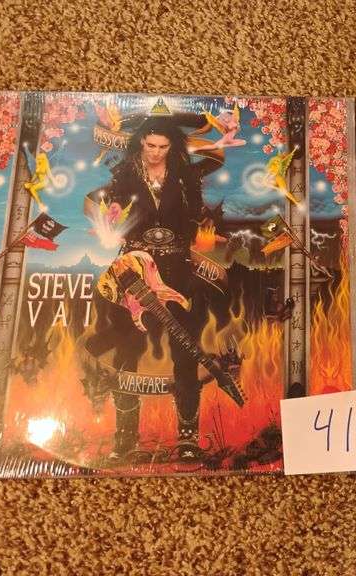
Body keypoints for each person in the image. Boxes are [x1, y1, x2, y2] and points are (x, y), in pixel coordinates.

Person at [83, 116, 224, 461]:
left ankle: (187, 440)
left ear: (172, 146)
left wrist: (183, 126)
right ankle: (125, 439)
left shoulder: (187, 177)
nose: (156, 153)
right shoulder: (124, 177)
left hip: (178, 272)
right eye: (150, 145)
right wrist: (106, 226)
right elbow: (90, 201)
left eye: (163, 146)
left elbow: (216, 157)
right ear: (140, 144)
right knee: (127, 351)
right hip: (132, 273)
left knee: (185, 350)